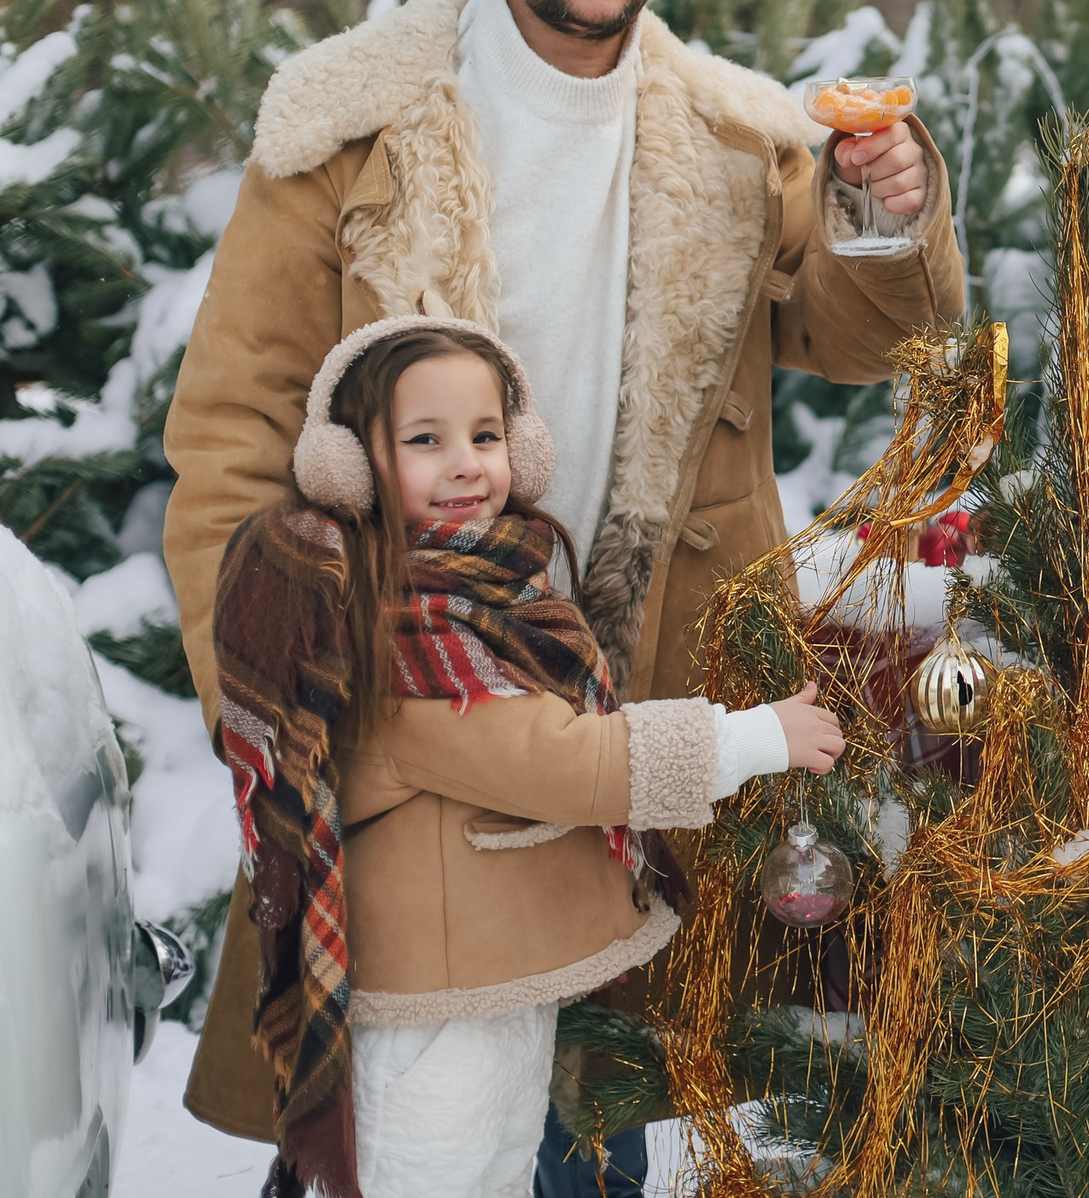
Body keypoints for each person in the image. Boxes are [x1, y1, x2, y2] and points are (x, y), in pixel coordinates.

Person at [166, 0, 965, 1190]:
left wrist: (889, 214)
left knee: (596, 1103)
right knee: (399, 1106)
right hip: (404, 682)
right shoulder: (353, 128)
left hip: (634, 666)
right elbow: (228, 432)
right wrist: (274, 690)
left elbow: (859, 333)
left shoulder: (738, 136)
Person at [215, 317, 846, 1198]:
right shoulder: (394, 629)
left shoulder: (485, 588)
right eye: (425, 440)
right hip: (436, 1015)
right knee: (437, 1175)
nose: (467, 463)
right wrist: (750, 737)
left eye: (485, 435)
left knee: (498, 1169)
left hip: (486, 988)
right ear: (350, 466)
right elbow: (560, 761)